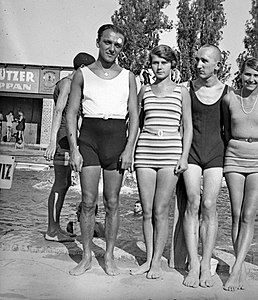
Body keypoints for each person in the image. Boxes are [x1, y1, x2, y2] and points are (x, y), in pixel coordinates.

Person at [66, 24, 139, 276]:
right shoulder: (83, 74)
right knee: (87, 202)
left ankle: (108, 256)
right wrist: (74, 149)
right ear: (98, 42)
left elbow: (134, 116)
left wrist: (129, 148)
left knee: (113, 201)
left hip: (116, 138)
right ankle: (86, 256)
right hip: (89, 139)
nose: (112, 48)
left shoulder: (128, 76)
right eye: (108, 42)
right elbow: (72, 112)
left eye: (118, 45)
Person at [130, 44, 192, 279]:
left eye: (163, 62)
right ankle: (147, 260)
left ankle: (157, 260)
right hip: (145, 151)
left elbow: (187, 127)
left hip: (170, 154)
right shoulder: (144, 90)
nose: (159, 67)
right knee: (146, 210)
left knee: (161, 210)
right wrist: (131, 150)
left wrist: (184, 156)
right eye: (155, 62)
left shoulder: (181, 92)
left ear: (171, 64)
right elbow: (135, 122)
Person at [222, 57, 258, 291]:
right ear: (240, 74)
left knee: (249, 214)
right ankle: (240, 266)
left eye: (256, 75)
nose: (251, 79)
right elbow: (225, 129)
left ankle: (235, 269)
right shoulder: (230, 98)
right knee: (236, 213)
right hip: (234, 155)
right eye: (247, 74)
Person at [181, 44, 229, 288]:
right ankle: (193, 263)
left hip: (215, 154)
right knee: (193, 202)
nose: (199, 65)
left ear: (217, 65)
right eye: (197, 60)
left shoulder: (227, 93)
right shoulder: (187, 89)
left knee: (209, 205)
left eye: (205, 61)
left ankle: (206, 263)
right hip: (192, 152)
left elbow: (230, 131)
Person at [44, 52, 95, 242]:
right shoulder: (66, 83)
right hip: (63, 139)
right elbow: (58, 111)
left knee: (64, 183)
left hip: (69, 139)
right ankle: (51, 229)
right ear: (82, 68)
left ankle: (55, 227)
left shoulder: (75, 86)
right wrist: (51, 142)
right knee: (59, 183)